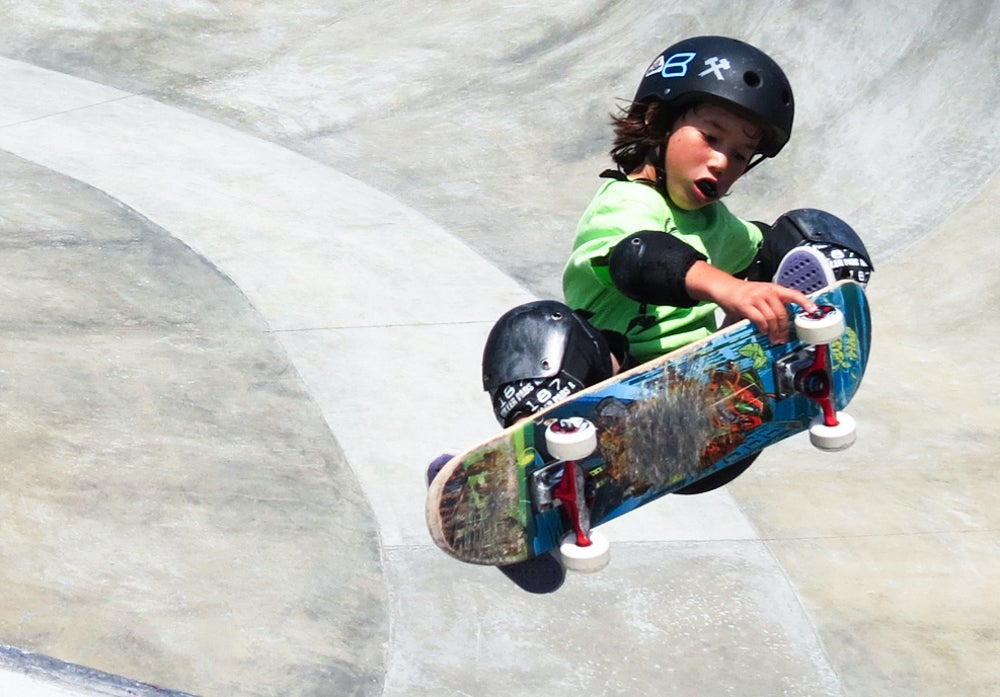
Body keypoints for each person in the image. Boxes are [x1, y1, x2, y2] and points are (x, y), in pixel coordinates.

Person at [483, 36, 872, 430]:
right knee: (535, 327)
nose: (723, 161)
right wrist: (730, 289)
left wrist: (809, 268)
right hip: (608, 392)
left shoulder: (717, 224)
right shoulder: (624, 203)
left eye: (740, 155)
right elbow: (640, 258)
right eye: (710, 138)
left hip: (697, 395)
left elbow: (766, 249)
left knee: (807, 235)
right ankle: (543, 442)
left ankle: (803, 351)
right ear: (657, 121)